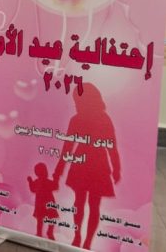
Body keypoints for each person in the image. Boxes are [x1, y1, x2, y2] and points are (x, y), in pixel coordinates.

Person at [52, 83, 121, 250]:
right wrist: (116, 168)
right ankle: (83, 240)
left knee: (82, 203)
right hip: (94, 165)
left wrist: (58, 171)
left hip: (86, 164)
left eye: (77, 100)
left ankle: (82, 239)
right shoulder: (100, 118)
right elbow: (110, 146)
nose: (75, 104)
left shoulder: (80, 119)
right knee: (90, 205)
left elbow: (68, 148)